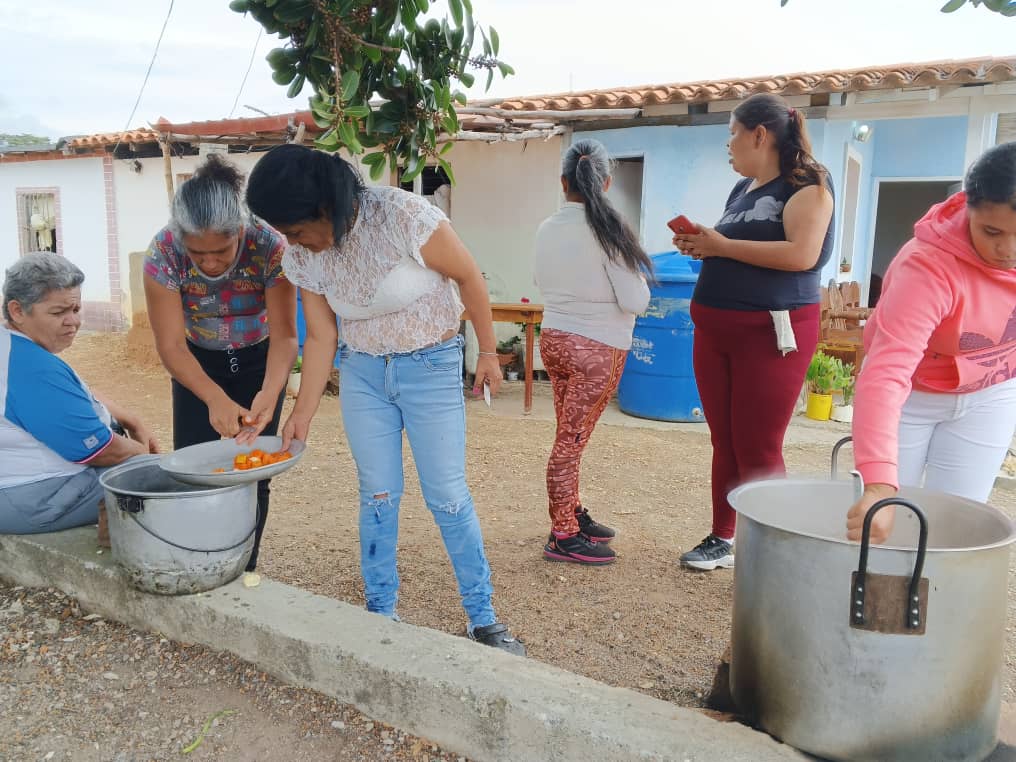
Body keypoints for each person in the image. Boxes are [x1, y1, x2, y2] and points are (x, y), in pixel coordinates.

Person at [245, 144, 525, 655]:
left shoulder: (403, 215)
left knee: (447, 495)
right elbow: (321, 336)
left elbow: (468, 276)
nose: (294, 242)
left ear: (323, 207)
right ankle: (380, 613)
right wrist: (301, 414)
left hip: (431, 366)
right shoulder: (304, 255)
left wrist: (488, 351)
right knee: (377, 495)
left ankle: (482, 617)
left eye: (296, 229)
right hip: (363, 373)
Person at [671, 93, 835, 570]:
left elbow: (802, 255)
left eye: (732, 134)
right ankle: (723, 538)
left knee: (758, 445)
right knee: (724, 440)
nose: (728, 144)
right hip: (715, 330)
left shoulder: (808, 183)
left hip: (770, 334)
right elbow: (733, 246)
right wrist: (704, 245)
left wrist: (721, 245)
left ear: (759, 135)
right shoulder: (742, 189)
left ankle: (771, 556)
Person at [847, 142, 1016, 544]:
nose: (1007, 251)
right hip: (911, 396)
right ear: (968, 209)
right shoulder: (927, 265)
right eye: (991, 232)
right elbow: (887, 372)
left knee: (953, 528)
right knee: (885, 525)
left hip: (990, 393)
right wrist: (878, 485)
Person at [144, 154, 297, 571]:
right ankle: (200, 567)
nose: (210, 263)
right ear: (181, 239)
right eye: (198, 253)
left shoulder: (269, 246)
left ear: (240, 231)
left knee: (253, 473)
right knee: (194, 471)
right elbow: (171, 345)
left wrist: (270, 391)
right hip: (196, 368)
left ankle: (245, 567)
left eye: (221, 251)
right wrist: (213, 398)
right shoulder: (163, 252)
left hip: (259, 365)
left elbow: (285, 336)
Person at [534, 139, 651, 565]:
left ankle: (572, 513)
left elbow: (541, 280)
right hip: (597, 348)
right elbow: (636, 301)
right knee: (571, 440)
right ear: (605, 183)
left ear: (563, 181)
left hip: (555, 339)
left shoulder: (546, 227)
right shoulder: (609, 231)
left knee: (569, 434)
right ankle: (563, 534)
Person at [0, 253, 158, 534]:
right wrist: (143, 455)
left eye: (76, 309)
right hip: (35, 496)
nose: (73, 321)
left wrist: (132, 420)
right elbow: (99, 450)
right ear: (17, 311)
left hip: (23, 488)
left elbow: (73, 393)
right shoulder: (33, 368)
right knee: (165, 475)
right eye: (58, 313)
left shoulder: (14, 347)